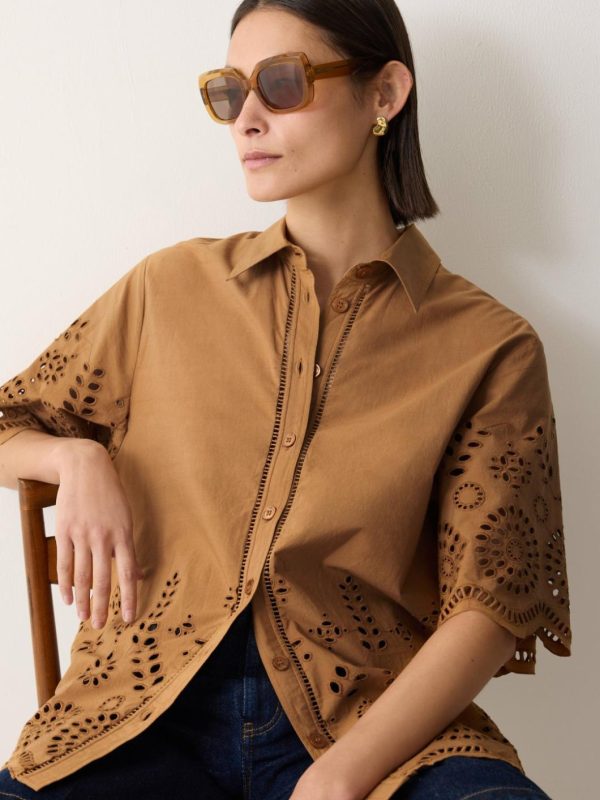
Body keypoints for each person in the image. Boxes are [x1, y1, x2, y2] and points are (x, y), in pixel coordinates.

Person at [0, 1, 571, 799]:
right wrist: (75, 457)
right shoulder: (169, 291)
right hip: (140, 722)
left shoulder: (488, 346)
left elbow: (491, 604)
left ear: (385, 93)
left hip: (374, 733)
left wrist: (340, 776)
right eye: (231, 91)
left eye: (281, 83)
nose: (248, 118)